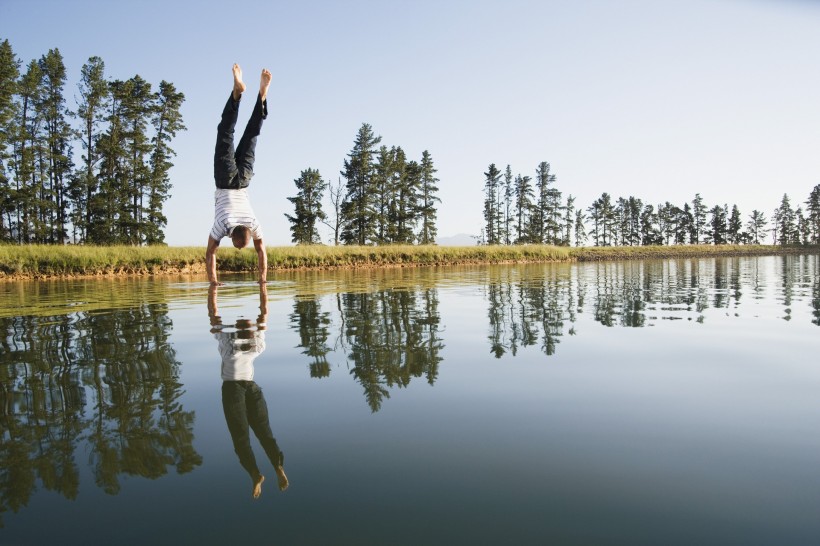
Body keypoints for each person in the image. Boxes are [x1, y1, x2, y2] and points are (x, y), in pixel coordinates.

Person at [209, 284, 289, 498]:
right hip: (252, 388)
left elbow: (213, 315)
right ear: (251, 330)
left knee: (240, 437)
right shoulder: (258, 345)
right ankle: (278, 467)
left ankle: (255, 474)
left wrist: (213, 291)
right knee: (265, 433)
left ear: (236, 327)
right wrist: (263, 290)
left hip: (233, 389)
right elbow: (265, 312)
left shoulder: (227, 342)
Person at [206, 64, 272, 286]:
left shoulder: (254, 224)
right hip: (225, 180)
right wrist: (213, 282)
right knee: (225, 133)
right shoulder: (222, 224)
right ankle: (236, 95)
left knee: (252, 135)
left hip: (244, 179)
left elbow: (261, 250)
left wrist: (263, 278)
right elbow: (210, 253)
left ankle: (261, 97)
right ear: (231, 238)